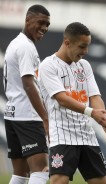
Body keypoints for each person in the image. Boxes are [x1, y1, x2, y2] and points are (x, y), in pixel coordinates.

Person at [38, 22, 106, 184]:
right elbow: (62, 99)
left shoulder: (84, 66)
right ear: (67, 43)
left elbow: (94, 96)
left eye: (87, 47)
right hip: (62, 135)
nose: (85, 52)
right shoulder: (48, 66)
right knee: (59, 181)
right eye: (82, 47)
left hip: (87, 135)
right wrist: (92, 113)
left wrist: (102, 117)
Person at [3, 4, 50, 184]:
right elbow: (28, 84)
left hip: (13, 114)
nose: (44, 28)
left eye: (47, 25)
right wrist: (45, 117)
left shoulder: (15, 43)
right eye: (41, 22)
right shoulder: (25, 47)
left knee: (20, 174)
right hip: (28, 116)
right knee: (41, 171)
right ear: (28, 20)